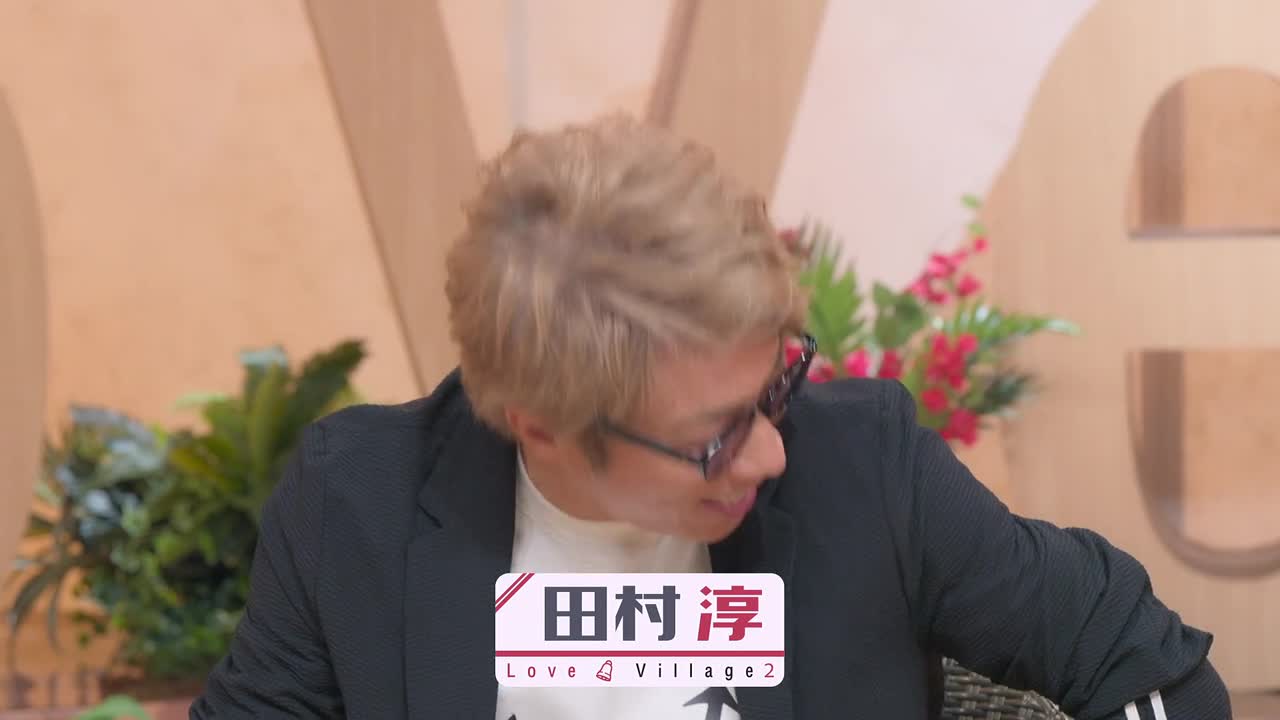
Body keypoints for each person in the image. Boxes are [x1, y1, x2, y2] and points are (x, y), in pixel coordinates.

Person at [190, 116, 1230, 719]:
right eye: (716, 434)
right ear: (539, 425)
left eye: (773, 386)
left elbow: (1144, 665)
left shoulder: (863, 470)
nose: (771, 452)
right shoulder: (355, 508)